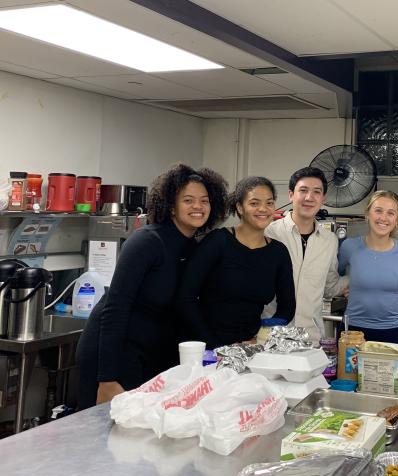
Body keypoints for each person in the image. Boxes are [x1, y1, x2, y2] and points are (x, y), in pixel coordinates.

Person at [76, 164, 228, 409]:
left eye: (204, 200)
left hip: (151, 354)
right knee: (104, 435)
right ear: (170, 205)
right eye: (188, 200)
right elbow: (115, 309)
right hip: (114, 353)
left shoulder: (195, 248)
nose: (198, 207)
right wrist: (106, 379)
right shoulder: (147, 241)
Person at [177, 176, 295, 349]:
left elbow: (288, 306)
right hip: (208, 347)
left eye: (269, 203)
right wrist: (214, 346)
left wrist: (263, 338)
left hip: (250, 348)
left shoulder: (278, 252)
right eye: (254, 203)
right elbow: (185, 298)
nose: (263, 209)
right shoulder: (218, 242)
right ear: (240, 207)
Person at [266, 167, 348, 343]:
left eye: (316, 192)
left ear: (323, 198)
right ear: (290, 195)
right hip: (271, 336)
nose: (309, 197)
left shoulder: (329, 240)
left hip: (310, 338)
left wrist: (358, 278)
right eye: (303, 190)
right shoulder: (269, 234)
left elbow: (329, 287)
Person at [337, 190, 398, 344]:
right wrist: (343, 288)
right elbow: (334, 278)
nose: (383, 218)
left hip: (391, 332)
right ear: (367, 214)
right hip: (352, 331)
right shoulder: (349, 247)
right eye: (378, 211)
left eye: (390, 213)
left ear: (397, 219)